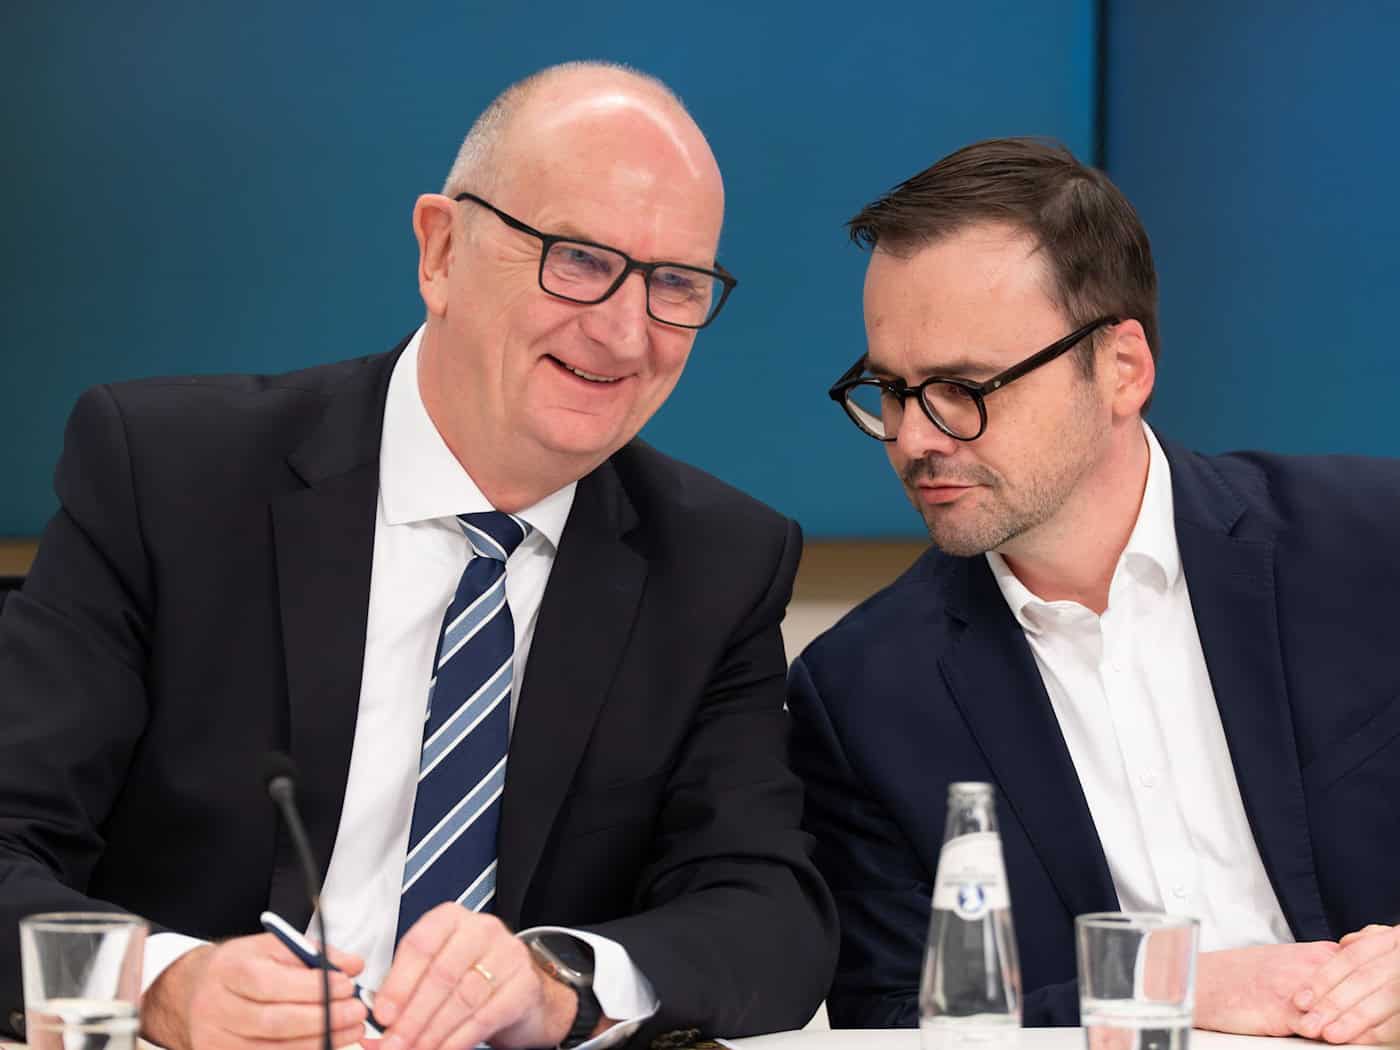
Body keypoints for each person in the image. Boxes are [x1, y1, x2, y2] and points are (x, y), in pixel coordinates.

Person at [0, 62, 837, 1050]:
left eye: (675, 285)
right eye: (577, 259)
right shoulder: (167, 477)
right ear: (440, 251)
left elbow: (769, 914)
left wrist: (558, 982)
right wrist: (166, 987)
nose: (624, 332)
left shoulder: (716, 562)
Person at [788, 137, 1400, 1044]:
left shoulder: (1372, 545)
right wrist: (1177, 986)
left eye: (963, 387)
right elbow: (892, 1019)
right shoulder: (861, 692)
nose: (915, 437)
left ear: (1122, 369)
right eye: (892, 388)